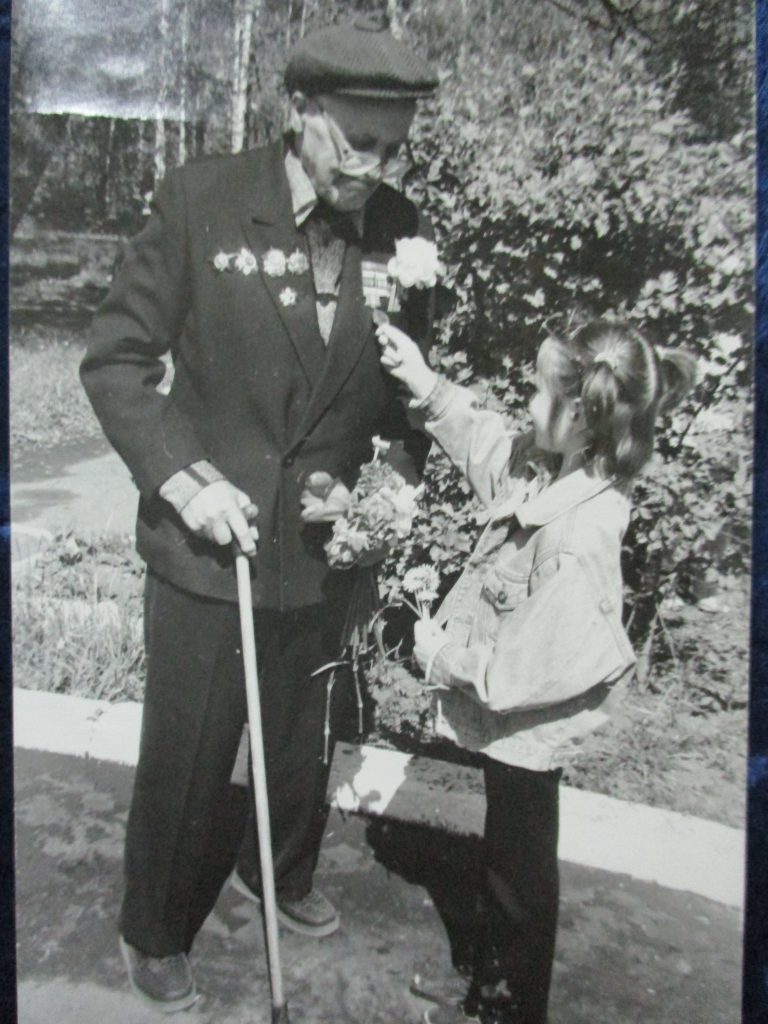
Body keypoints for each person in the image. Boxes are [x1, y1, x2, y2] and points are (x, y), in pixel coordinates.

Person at [80, 17, 438, 1013]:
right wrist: (182, 476)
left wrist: (392, 486)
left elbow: (411, 399)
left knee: (304, 735)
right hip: (211, 545)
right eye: (353, 142)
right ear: (298, 113)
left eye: (391, 146)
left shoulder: (401, 231)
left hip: (327, 550)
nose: (372, 167)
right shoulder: (201, 199)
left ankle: (274, 870)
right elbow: (114, 360)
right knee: (192, 751)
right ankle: (153, 924)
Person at [376, 319, 696, 1024]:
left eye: (538, 393)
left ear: (580, 418)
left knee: (518, 865)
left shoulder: (578, 537)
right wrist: (426, 383)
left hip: (530, 714)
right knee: (508, 846)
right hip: (516, 706)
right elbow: (490, 445)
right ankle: (497, 972)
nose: (525, 403)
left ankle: (511, 1002)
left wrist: (439, 657)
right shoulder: (555, 467)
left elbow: (519, 673)